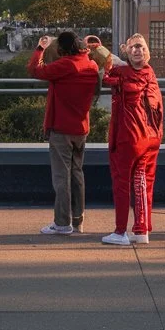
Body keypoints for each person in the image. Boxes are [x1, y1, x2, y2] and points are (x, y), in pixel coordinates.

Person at [27, 32, 99, 235]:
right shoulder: (91, 65)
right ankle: (78, 219)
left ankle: (62, 222)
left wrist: (41, 47)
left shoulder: (65, 65)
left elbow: (35, 70)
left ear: (63, 49)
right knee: (77, 174)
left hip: (61, 128)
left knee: (61, 177)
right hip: (81, 128)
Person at [101, 34, 163, 246]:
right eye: (133, 47)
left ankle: (120, 231)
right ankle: (141, 229)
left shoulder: (124, 73)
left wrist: (108, 60)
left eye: (140, 47)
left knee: (121, 182)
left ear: (147, 52)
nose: (138, 50)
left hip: (129, 135)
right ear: (127, 51)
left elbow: (105, 77)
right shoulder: (150, 72)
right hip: (151, 136)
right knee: (143, 182)